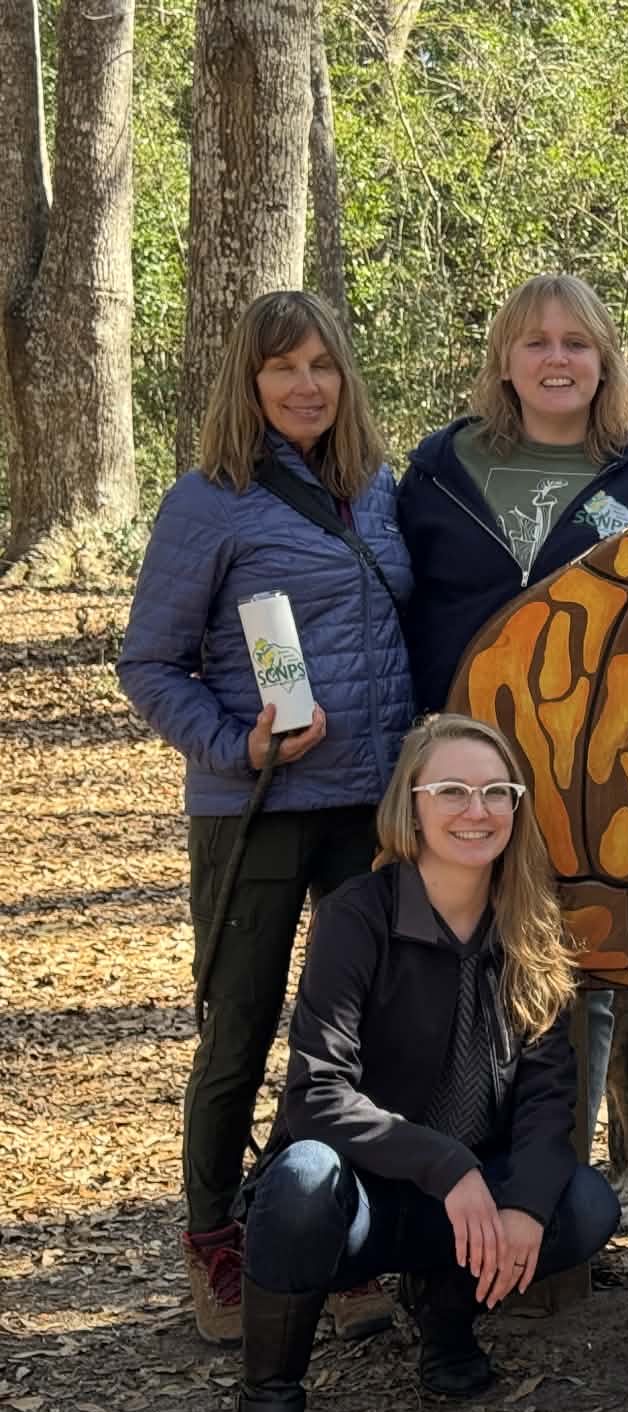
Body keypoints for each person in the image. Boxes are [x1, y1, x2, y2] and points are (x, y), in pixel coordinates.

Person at [117, 290, 414, 1347]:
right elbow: (148, 663)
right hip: (257, 809)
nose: (305, 386)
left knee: (354, 1039)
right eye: (282, 368)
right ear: (248, 384)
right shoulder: (208, 502)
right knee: (237, 1027)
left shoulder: (379, 489)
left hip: (367, 809)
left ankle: (324, 1237)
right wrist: (233, 743)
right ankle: (217, 1244)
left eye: (321, 366)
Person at [232, 714, 621, 1412]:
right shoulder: (357, 916)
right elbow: (317, 1092)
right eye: (451, 791)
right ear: (411, 807)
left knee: (579, 1206)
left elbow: (550, 1103)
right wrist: (448, 1167)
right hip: (364, 1198)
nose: (475, 811)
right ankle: (270, 1405)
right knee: (302, 1178)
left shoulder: (533, 927)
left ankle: (447, 1324)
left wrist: (521, 1203)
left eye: (495, 793)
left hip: (466, 1200)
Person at [395, 272, 628, 1183]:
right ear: (505, 362)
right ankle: (458, 1166)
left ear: (604, 362)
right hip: (458, 759)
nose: (557, 358)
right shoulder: (437, 471)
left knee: (582, 963)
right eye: (536, 342)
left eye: (577, 343)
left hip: (597, 767)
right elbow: (394, 612)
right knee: (465, 952)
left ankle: (556, 1182)